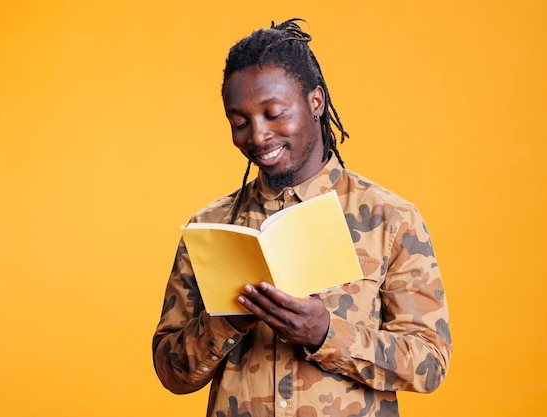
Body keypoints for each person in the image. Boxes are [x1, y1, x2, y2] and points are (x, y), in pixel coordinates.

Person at [152, 18, 452, 417]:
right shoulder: (210, 228)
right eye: (239, 123)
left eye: (274, 113)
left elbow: (430, 363)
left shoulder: (391, 219)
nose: (257, 136)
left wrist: (326, 334)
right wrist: (224, 323)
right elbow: (170, 372)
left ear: (316, 102)